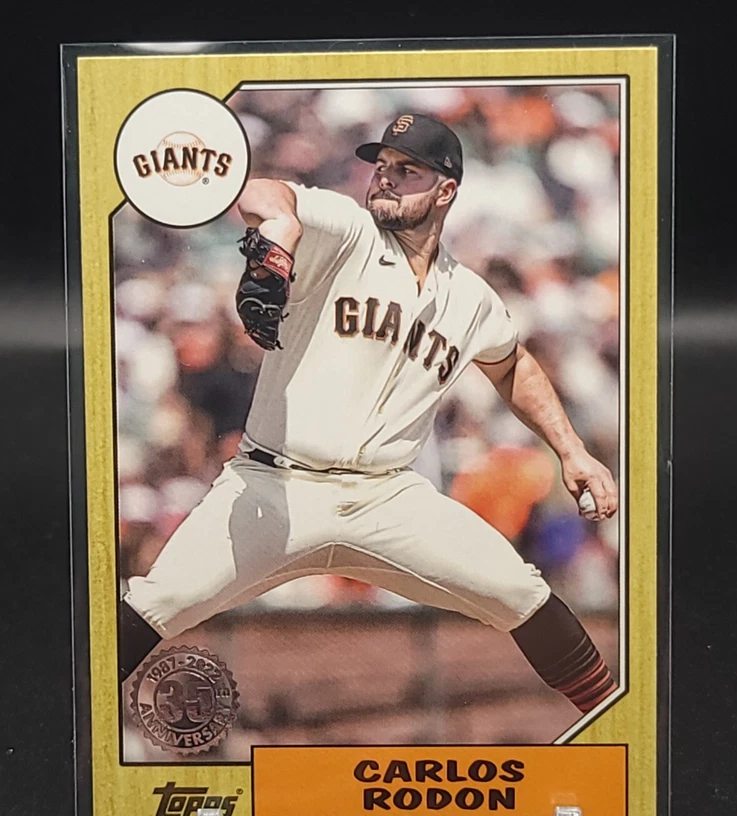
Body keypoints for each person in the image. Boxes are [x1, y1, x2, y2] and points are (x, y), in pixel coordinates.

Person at [118, 113, 619, 718]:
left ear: (446, 189)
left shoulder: (472, 300)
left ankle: (615, 726)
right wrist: (279, 228)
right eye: (381, 166)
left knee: (522, 592)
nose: (385, 178)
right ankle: (55, 720)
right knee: (156, 603)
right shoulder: (347, 233)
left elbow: (513, 366)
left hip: (387, 498)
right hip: (276, 484)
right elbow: (264, 194)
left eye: (407, 170)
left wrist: (572, 450)